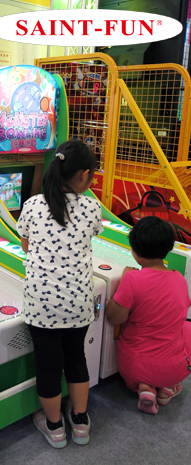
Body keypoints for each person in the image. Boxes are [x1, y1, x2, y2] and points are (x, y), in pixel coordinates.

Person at [16, 138, 103, 448]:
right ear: (83, 175)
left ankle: (54, 427)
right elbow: (92, 234)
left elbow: (26, 246)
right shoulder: (92, 206)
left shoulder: (32, 205)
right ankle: (80, 423)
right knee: (76, 358)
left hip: (41, 304)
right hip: (79, 302)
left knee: (48, 366)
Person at [106, 216, 191, 414]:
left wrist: (122, 283)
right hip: (174, 369)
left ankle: (145, 387)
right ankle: (166, 387)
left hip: (133, 366)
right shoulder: (180, 279)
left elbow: (114, 317)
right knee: (186, 327)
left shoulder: (132, 278)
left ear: (135, 251)